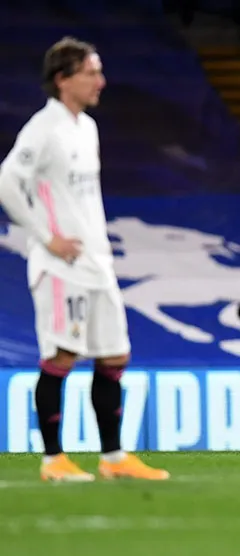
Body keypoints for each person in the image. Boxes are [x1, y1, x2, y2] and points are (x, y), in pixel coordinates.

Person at [0, 37, 169, 481]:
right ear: (63, 79)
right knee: (62, 353)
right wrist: (45, 237)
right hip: (61, 266)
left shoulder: (85, 127)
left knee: (114, 356)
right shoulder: (44, 127)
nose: (101, 80)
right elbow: (6, 181)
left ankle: (113, 459)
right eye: (91, 72)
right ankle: (53, 460)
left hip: (97, 263)